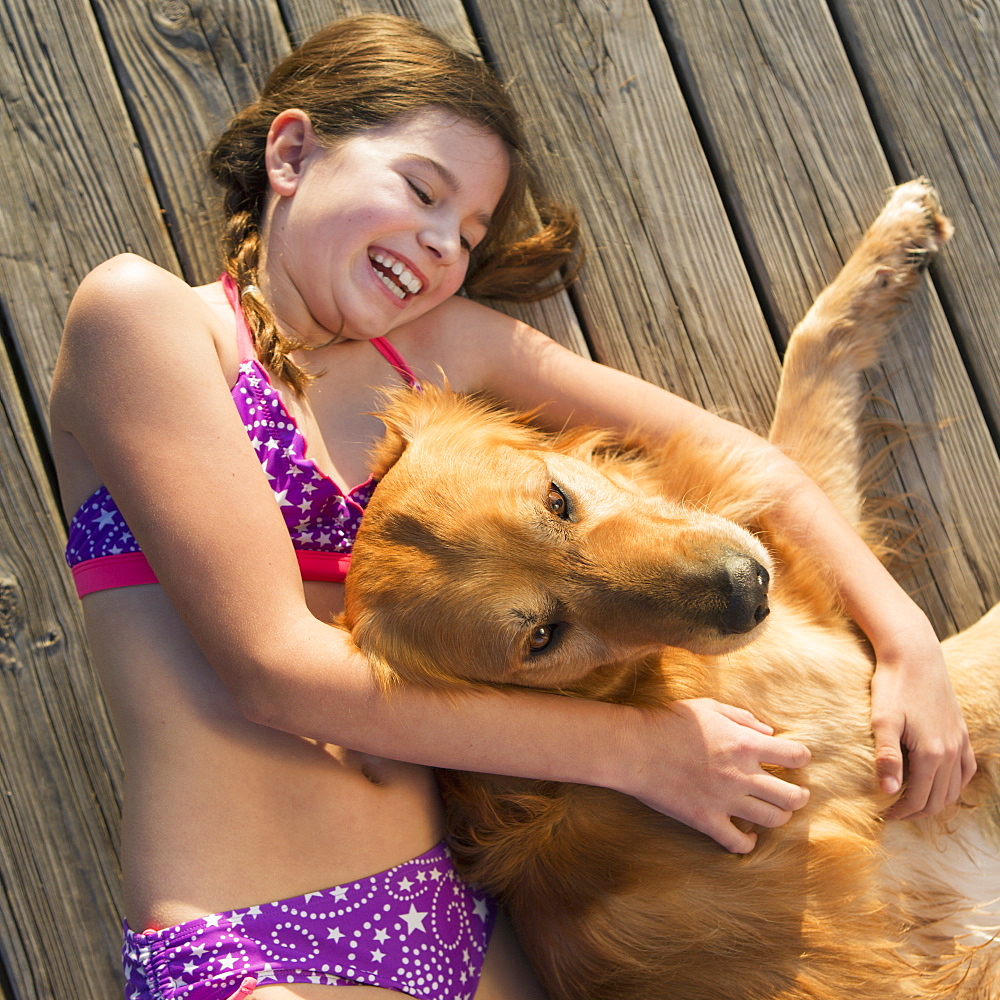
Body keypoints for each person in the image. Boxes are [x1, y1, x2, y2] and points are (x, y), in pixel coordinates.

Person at [49, 13, 974, 1000]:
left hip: (467, 932)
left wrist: (903, 633)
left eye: (471, 231)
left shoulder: (441, 344)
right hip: (252, 942)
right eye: (420, 189)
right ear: (291, 151)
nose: (442, 241)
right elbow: (275, 672)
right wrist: (645, 750)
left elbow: (720, 452)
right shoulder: (143, 319)